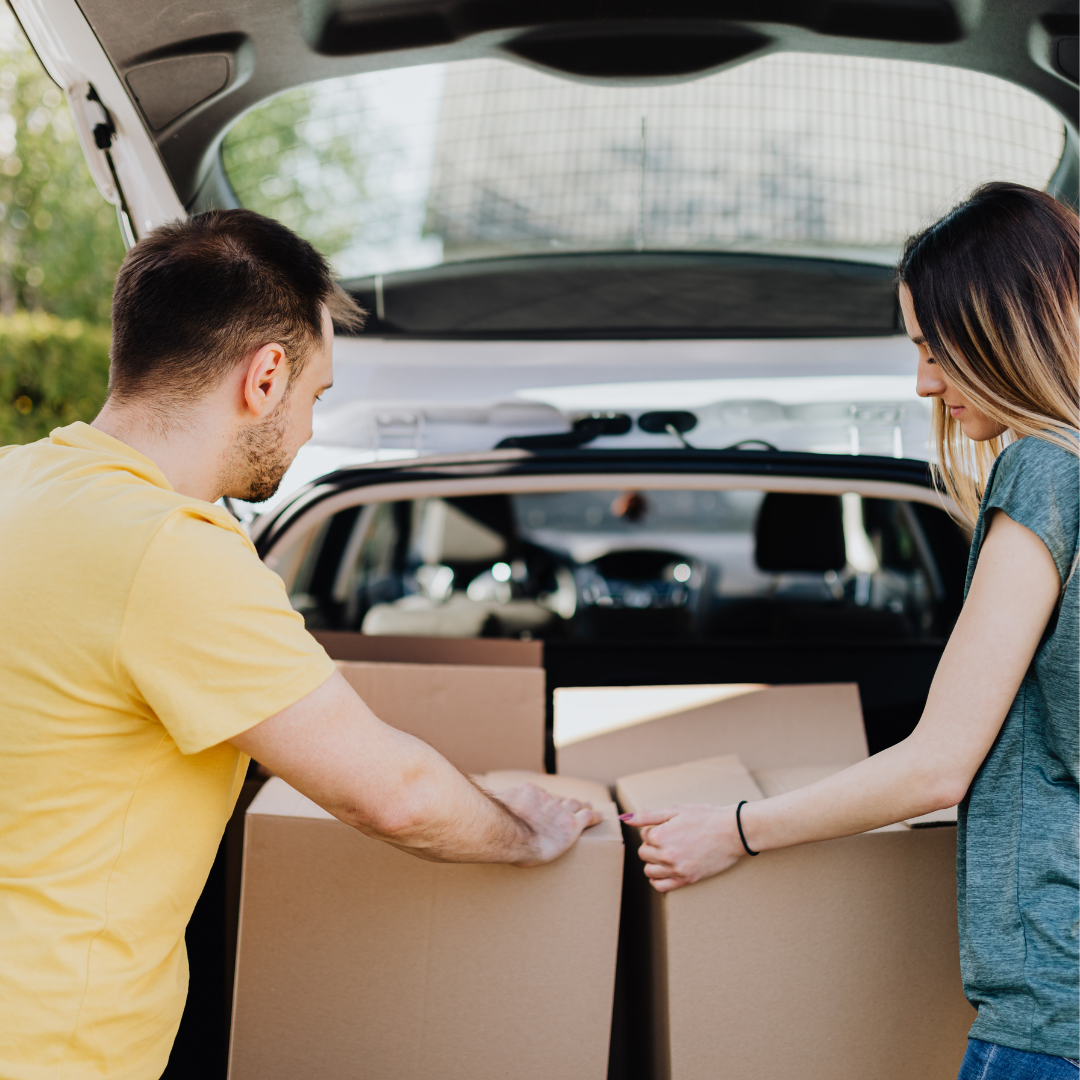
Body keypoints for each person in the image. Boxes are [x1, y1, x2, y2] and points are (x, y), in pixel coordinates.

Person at [0, 210, 601, 1080]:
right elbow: (390, 797)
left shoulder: (15, 482)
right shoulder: (171, 551)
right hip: (49, 1043)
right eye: (318, 395)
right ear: (267, 375)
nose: (312, 427)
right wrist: (524, 834)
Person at [621, 183, 1079, 1077]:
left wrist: (737, 830)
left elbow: (940, 762)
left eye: (931, 344)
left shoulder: (1042, 474)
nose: (924, 381)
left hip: (1052, 1011)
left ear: (1001, 328)